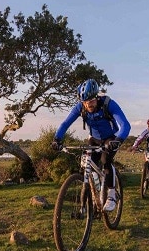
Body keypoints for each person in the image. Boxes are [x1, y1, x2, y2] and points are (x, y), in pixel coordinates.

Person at [51, 79, 131, 212]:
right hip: (93, 139)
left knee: (106, 160)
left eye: (91, 100)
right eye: (85, 102)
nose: (88, 104)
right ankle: (96, 195)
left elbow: (125, 125)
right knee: (88, 163)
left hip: (110, 138)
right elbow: (65, 124)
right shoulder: (80, 107)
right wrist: (57, 139)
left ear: (96, 97)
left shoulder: (108, 104)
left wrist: (118, 140)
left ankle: (111, 194)